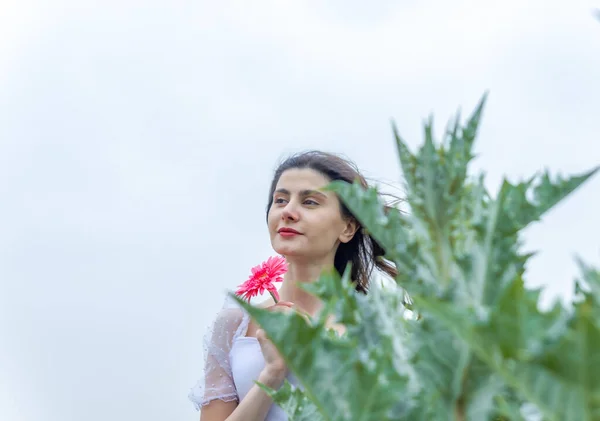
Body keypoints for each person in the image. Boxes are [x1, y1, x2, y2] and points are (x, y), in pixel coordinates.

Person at [188, 151, 397, 421]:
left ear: (347, 228)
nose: (288, 212)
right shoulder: (235, 324)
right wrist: (273, 372)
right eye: (280, 200)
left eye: (309, 202)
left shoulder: (378, 328)